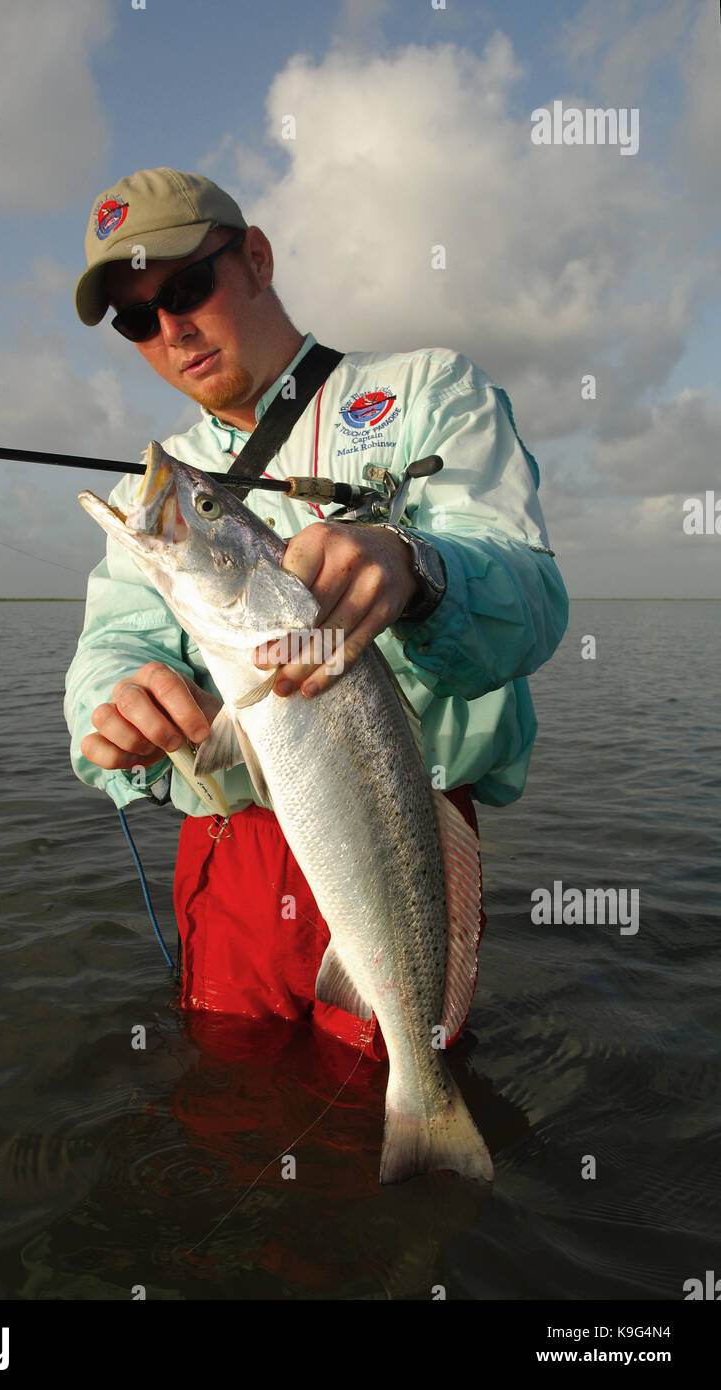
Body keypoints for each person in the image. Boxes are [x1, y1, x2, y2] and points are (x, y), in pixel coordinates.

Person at [64, 166, 569, 1062]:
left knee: (398, 1077)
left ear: (254, 259)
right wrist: (113, 703)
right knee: (230, 1109)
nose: (171, 330)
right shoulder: (162, 488)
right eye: (137, 319)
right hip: (232, 854)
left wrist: (420, 569)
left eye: (186, 288)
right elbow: (112, 646)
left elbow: (531, 600)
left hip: (403, 824)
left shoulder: (428, 392)